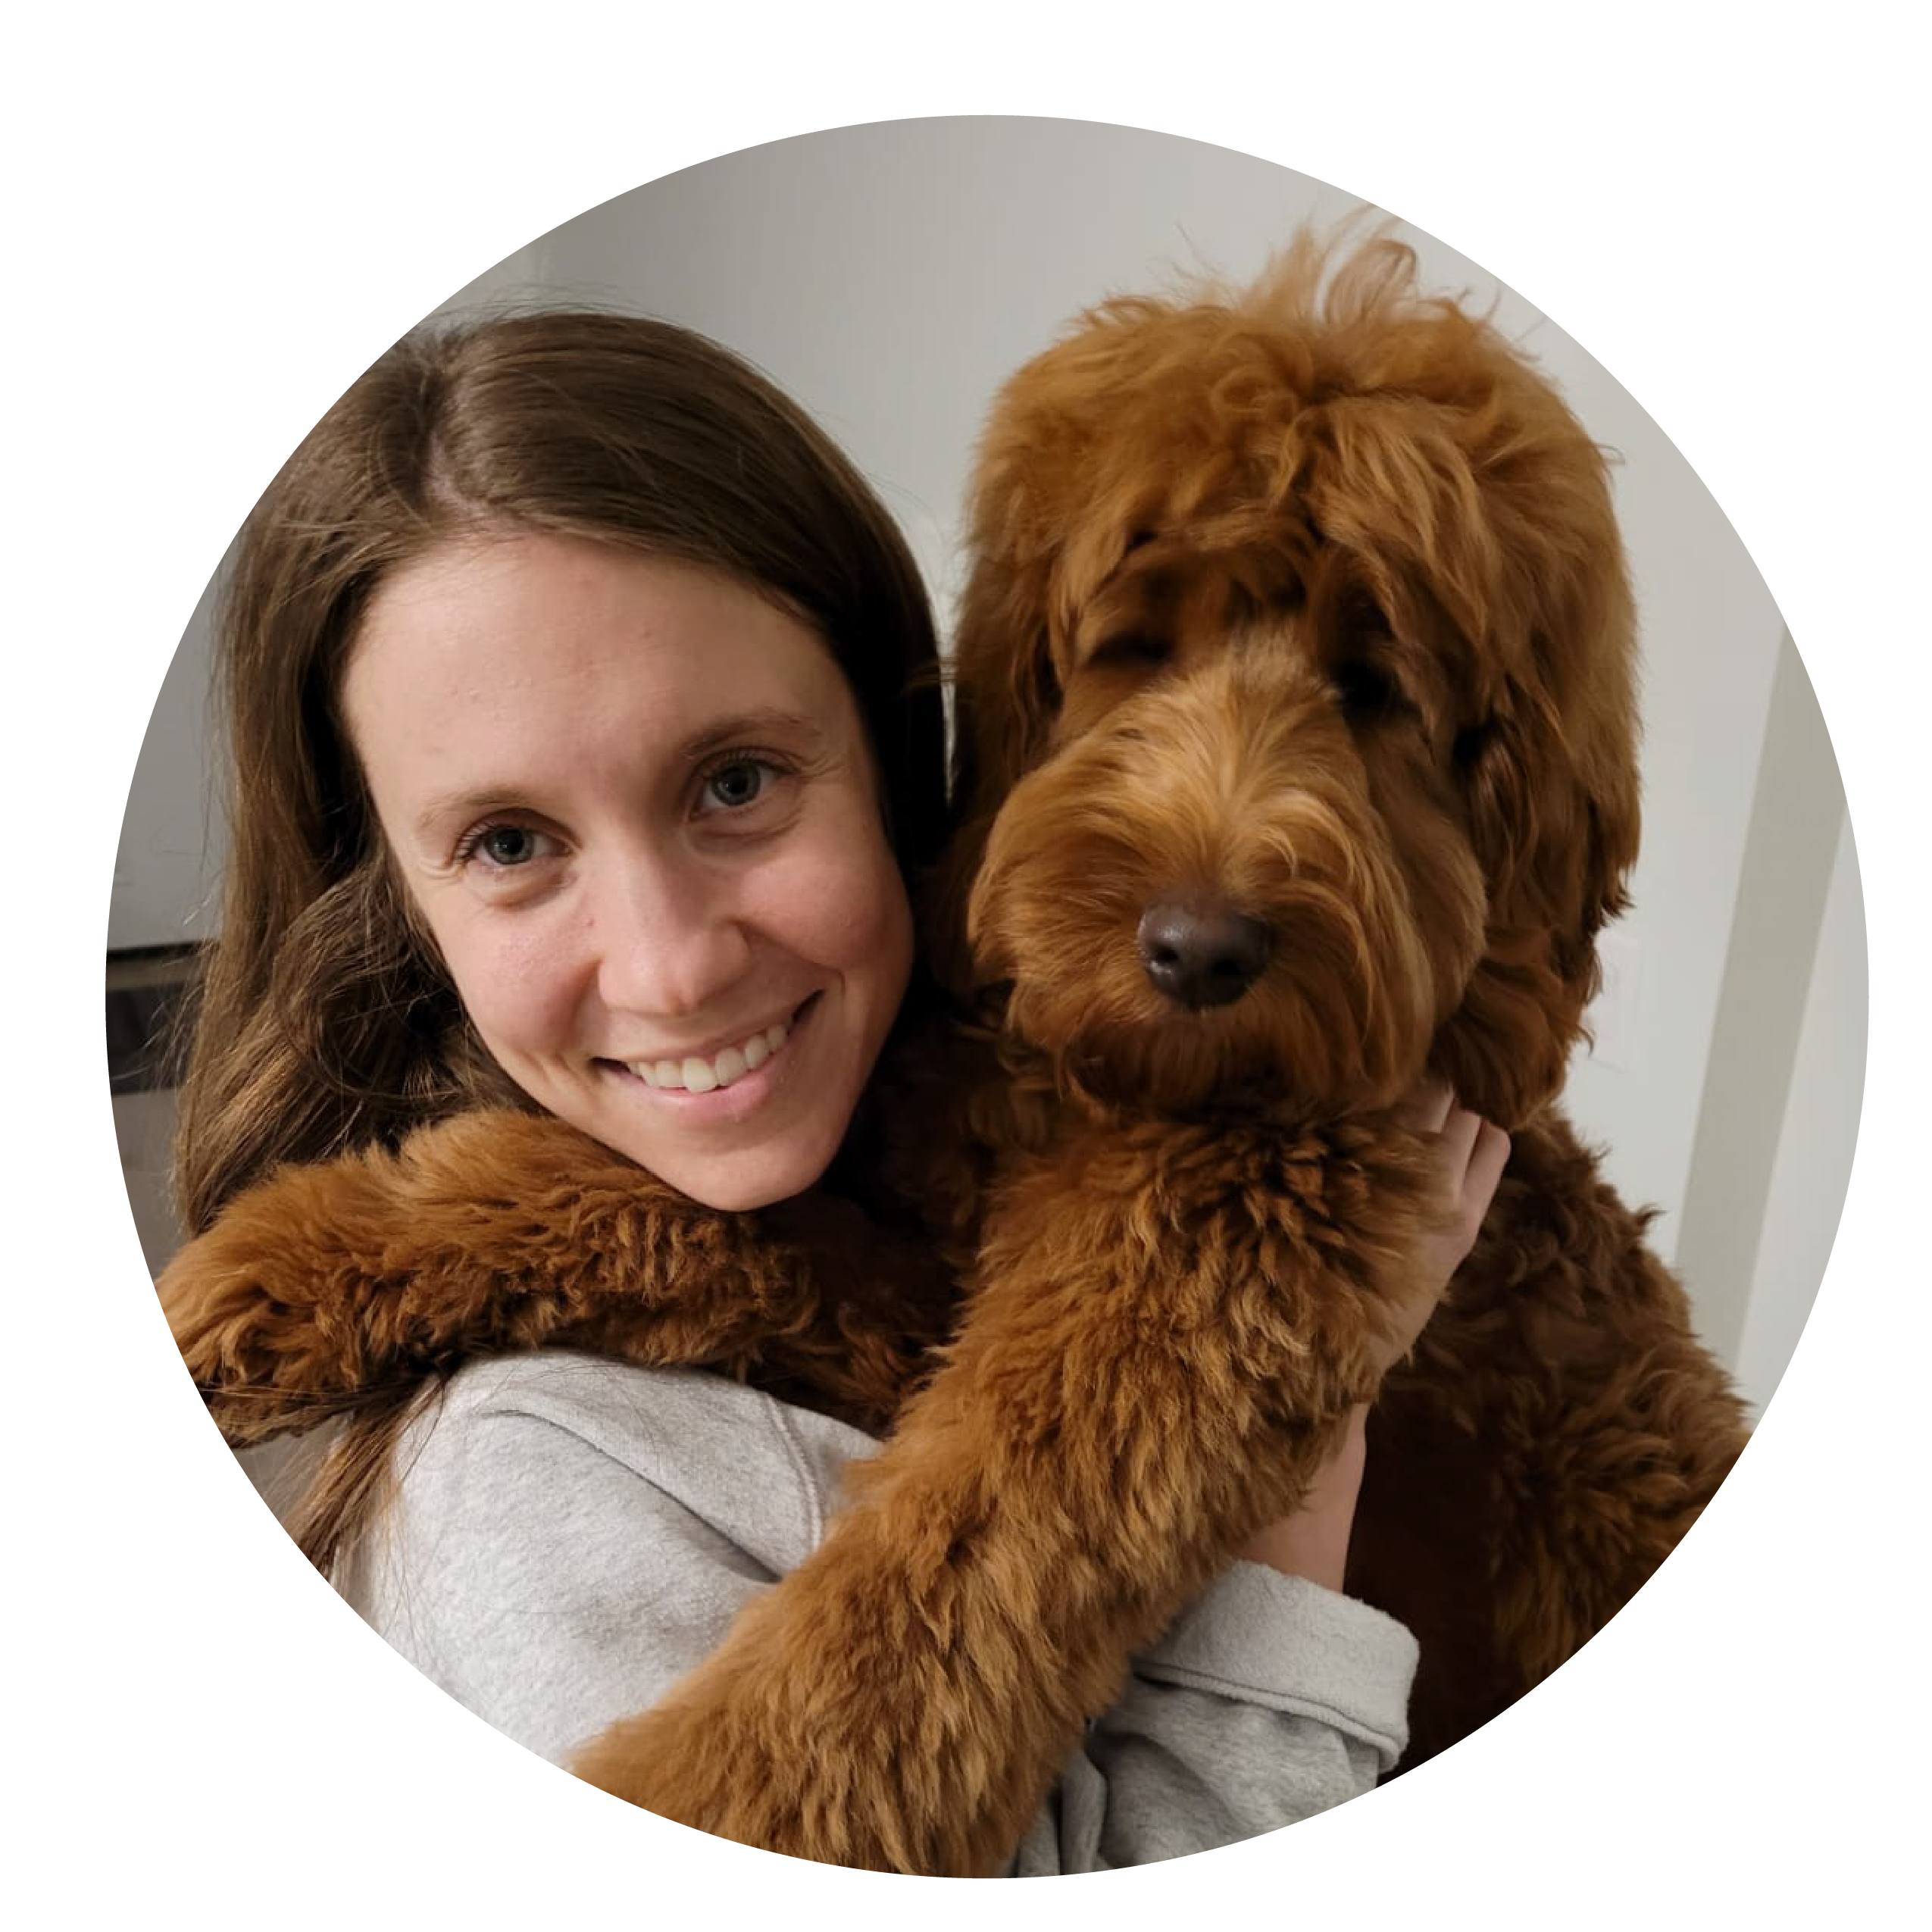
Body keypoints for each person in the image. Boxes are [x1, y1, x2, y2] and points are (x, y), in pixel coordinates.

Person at [171, 308, 1510, 1873]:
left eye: (735, 782)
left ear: (903, 749)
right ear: (388, 890)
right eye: (511, 843)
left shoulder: (947, 1090)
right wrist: (1287, 1526)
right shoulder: (523, 1482)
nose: (670, 971)